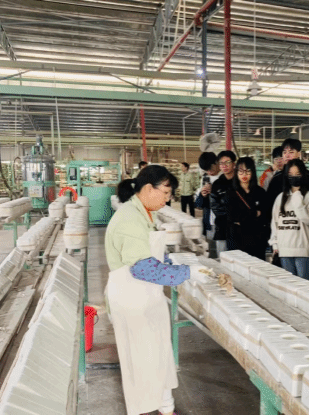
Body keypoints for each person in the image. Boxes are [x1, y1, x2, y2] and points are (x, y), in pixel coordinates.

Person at [105, 165, 189, 415]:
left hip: (147, 298)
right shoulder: (130, 218)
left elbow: (149, 253)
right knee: (142, 364)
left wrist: (169, 262)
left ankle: (166, 408)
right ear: (149, 188)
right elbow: (142, 268)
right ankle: (144, 410)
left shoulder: (144, 214)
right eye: (165, 192)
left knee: (159, 359)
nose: (167, 199)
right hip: (132, 300)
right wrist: (185, 273)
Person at [269, 159, 309, 281]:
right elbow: (275, 222)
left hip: (303, 249)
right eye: (290, 174)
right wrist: (275, 243)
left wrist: (297, 195)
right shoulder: (280, 197)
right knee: (289, 285)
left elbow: (308, 219)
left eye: (297, 174)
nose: (294, 178)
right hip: (284, 249)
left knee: (304, 286)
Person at [226, 157, 269, 259]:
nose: (244, 175)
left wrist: (243, 219)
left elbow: (265, 216)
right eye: (241, 171)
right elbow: (232, 217)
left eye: (247, 171)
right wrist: (254, 213)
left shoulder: (260, 192)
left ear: (252, 172)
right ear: (236, 172)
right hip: (238, 240)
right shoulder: (231, 193)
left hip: (257, 240)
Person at [266, 138, 309, 214]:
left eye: (291, 152)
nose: (287, 155)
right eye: (284, 152)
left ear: (299, 154)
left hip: (304, 217)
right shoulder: (277, 177)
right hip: (282, 218)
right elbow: (269, 203)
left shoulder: (308, 176)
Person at [210, 150, 237, 256]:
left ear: (234, 164)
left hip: (239, 230)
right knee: (223, 258)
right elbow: (214, 206)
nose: (224, 166)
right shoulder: (217, 184)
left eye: (227, 162)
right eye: (221, 163)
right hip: (222, 227)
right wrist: (230, 216)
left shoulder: (240, 182)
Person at [196, 152, 221, 254]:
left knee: (223, 252)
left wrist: (214, 192)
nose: (209, 172)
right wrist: (203, 195)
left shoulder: (224, 177)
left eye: (211, 168)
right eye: (206, 170)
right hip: (209, 221)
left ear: (217, 162)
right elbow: (199, 205)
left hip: (221, 222)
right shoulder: (205, 178)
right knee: (211, 251)